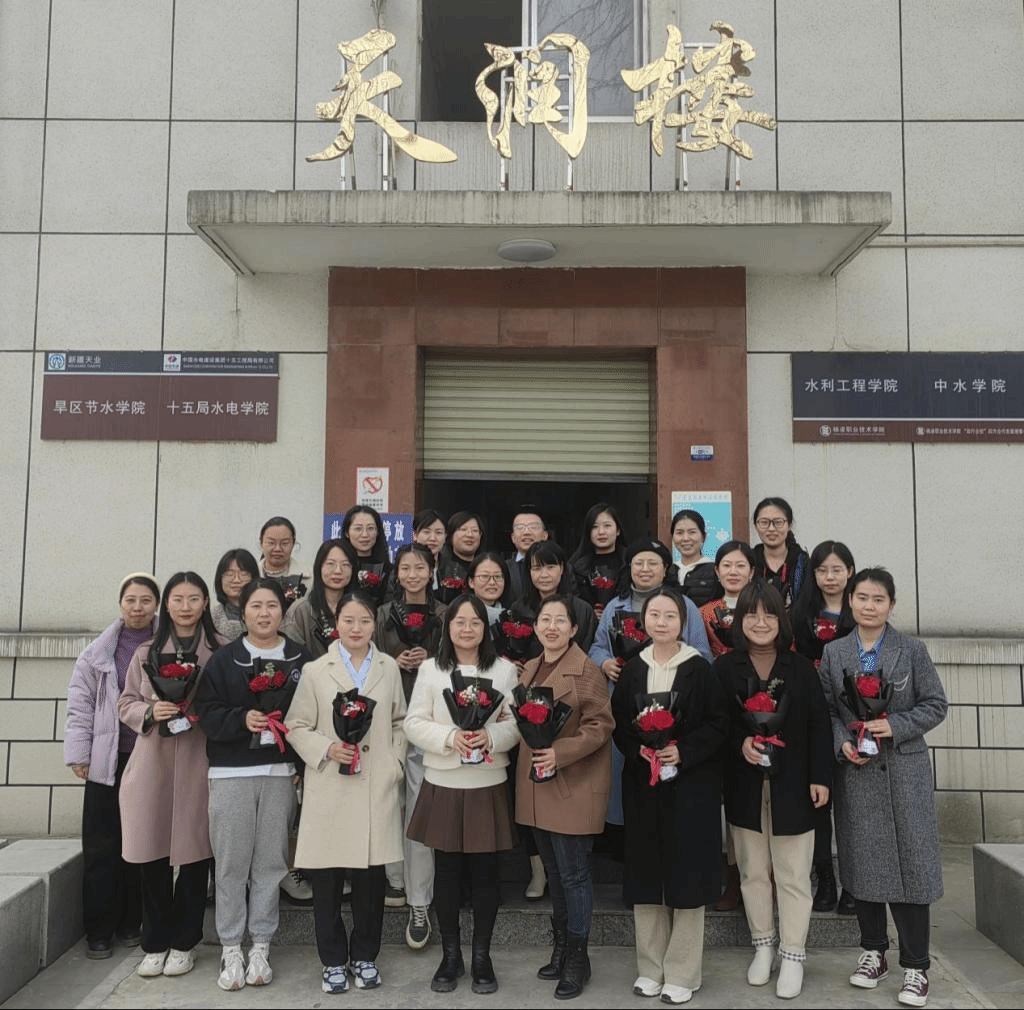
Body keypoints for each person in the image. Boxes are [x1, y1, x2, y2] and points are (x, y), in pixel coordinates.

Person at [819, 568, 947, 1009]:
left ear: (891, 605)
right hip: (856, 773)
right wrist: (842, 742)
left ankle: (916, 965)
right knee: (862, 864)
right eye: (862, 597)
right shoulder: (834, 652)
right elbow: (828, 711)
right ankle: (873, 951)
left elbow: (936, 704)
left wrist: (895, 725)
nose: (869, 606)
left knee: (912, 867)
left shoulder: (911, 650)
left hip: (904, 773)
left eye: (878, 599)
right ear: (850, 601)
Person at [715, 581, 832, 1000]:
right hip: (744, 784)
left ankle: (793, 952)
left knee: (794, 873)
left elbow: (819, 726)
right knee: (752, 871)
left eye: (768, 614)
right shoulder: (724, 669)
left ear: (781, 620)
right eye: (751, 614)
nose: (760, 622)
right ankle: (763, 946)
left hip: (794, 784)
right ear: (739, 620)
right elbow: (716, 725)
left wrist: (821, 777)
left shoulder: (799, 669)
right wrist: (741, 744)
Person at [284, 592, 407, 995]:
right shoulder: (316, 671)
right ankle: (333, 960)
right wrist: (326, 748)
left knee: (371, 883)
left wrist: (394, 763)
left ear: (374, 624)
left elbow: (400, 721)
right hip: (332, 787)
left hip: (375, 785)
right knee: (327, 884)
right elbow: (296, 725)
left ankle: (365, 955)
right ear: (336, 624)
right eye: (349, 620)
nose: (357, 628)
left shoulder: (388, 667)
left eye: (365, 621)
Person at [612, 590, 729, 1004]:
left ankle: (682, 971)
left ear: (683, 622)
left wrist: (683, 751)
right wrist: (639, 751)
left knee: (687, 875)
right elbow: (620, 724)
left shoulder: (700, 669)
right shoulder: (632, 669)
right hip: (644, 787)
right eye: (654, 615)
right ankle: (650, 967)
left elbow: (719, 724)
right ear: (644, 620)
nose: (661, 622)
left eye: (670, 616)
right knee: (647, 875)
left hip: (690, 788)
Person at [194, 578, 312, 990]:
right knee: (231, 863)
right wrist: (241, 719)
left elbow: (314, 715)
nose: (265, 613)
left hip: (279, 773)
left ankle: (261, 944)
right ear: (242, 613)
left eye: (272, 606)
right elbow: (206, 712)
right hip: (231, 773)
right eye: (256, 606)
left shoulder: (301, 659)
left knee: (270, 863)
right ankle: (230, 947)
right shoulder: (225, 660)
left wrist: (301, 763)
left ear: (283, 611)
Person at [405, 594, 520, 994]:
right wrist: (450, 737)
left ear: (485, 629)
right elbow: (413, 723)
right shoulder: (431, 670)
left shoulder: (504, 671)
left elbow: (517, 723)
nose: (467, 629)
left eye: (475, 622)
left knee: (486, 874)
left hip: (486, 781)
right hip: (444, 781)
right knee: (448, 873)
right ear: (447, 628)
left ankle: (482, 957)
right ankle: (451, 955)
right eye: (459, 622)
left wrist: (491, 736)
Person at [117, 572, 225, 979]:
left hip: (199, 759)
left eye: (194, 598)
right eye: (177, 599)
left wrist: (202, 713)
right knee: (152, 856)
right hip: (153, 763)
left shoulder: (219, 650)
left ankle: (184, 942)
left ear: (205, 603)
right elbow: (125, 701)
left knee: (195, 854)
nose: (185, 607)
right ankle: (154, 942)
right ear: (167, 604)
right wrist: (149, 711)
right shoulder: (146, 651)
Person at [517, 595, 614, 1000]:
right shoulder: (529, 669)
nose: (552, 627)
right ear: (536, 626)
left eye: (561, 621)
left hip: (572, 783)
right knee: (554, 873)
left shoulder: (586, 670)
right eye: (545, 619)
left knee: (573, 874)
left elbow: (601, 725)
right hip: (537, 786)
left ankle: (578, 957)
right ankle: (560, 947)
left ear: (574, 629)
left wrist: (561, 752)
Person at [589, 539, 712, 850]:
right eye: (638, 563)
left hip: (675, 711)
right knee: (627, 771)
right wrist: (605, 662)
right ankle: (620, 837)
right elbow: (598, 645)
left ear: (665, 568)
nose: (645, 569)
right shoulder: (614, 606)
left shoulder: (685, 606)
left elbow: (702, 652)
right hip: (627, 704)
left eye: (652, 563)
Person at [64, 573, 160, 959]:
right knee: (101, 846)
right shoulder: (98, 653)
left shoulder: (166, 646)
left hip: (147, 759)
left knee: (139, 843)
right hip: (107, 761)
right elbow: (80, 705)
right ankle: (99, 931)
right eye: (130, 600)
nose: (137, 607)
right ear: (121, 604)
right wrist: (80, 754)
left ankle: (130, 923)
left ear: (156, 605)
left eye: (145, 600)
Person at [374, 543, 447, 928]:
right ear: (396, 573)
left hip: (429, 720)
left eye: (420, 567)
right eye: (406, 568)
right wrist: (392, 661)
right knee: (389, 801)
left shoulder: (445, 614)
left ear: (431, 571)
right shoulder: (382, 614)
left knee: (419, 807)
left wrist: (430, 663)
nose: (413, 574)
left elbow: (457, 660)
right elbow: (367, 659)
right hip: (388, 717)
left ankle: (420, 897)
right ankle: (394, 880)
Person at [791, 540, 858, 914]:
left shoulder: (861, 609)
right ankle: (826, 880)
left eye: (837, 569)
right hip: (811, 716)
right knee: (819, 802)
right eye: (822, 570)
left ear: (850, 571)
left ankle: (853, 884)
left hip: (853, 716)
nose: (830, 577)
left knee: (851, 807)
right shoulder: (800, 614)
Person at [281, 538, 359, 660]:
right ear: (319, 567)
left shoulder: (360, 609)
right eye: (330, 564)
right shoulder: (301, 610)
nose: (338, 571)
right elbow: (290, 656)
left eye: (345, 565)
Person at [521, 540, 598, 653]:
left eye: (550, 567)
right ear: (529, 572)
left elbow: (589, 651)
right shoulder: (520, 609)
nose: (544, 575)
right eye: (537, 568)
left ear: (562, 568)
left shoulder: (583, 610)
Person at [699, 541, 757, 660]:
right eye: (726, 565)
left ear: (751, 572)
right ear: (717, 571)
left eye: (740, 566)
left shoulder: (764, 607)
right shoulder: (703, 612)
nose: (733, 572)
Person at [568, 503, 627, 617]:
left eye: (607, 526)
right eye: (595, 527)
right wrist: (588, 613)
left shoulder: (631, 562)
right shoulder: (576, 567)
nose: (601, 532)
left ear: (618, 530)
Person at [751, 498, 809, 610]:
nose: (771, 529)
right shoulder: (749, 561)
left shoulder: (803, 562)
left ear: (789, 525)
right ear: (755, 526)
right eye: (764, 522)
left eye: (778, 522)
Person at [258, 516, 313, 610]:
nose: (277, 549)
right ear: (261, 543)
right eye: (271, 543)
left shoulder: (310, 578)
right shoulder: (249, 576)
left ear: (293, 544)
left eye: (284, 543)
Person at [341, 505, 393, 603]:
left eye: (370, 528)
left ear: (378, 532)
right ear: (347, 532)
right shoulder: (339, 567)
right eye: (358, 529)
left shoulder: (389, 570)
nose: (365, 534)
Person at [670, 509, 719, 607]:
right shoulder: (668, 571)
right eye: (679, 533)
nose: (685, 538)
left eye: (692, 532)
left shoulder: (716, 571)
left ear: (703, 536)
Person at [436, 510, 485, 604]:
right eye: (463, 529)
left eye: (475, 530)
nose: (469, 535)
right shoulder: (439, 566)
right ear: (450, 535)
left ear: (480, 535)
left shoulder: (486, 566)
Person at [210, 549, 259, 640]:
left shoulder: (264, 613)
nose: (236, 580)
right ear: (220, 579)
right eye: (229, 574)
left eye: (243, 573)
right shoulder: (212, 618)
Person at [506, 507, 548, 600]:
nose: (526, 532)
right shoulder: (503, 568)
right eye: (520, 528)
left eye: (533, 527)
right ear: (513, 537)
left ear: (545, 535)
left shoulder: (561, 567)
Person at [466, 551, 514, 628]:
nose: (492, 582)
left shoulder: (512, 616)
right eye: (484, 576)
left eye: (497, 576)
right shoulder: (461, 613)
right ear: (471, 582)